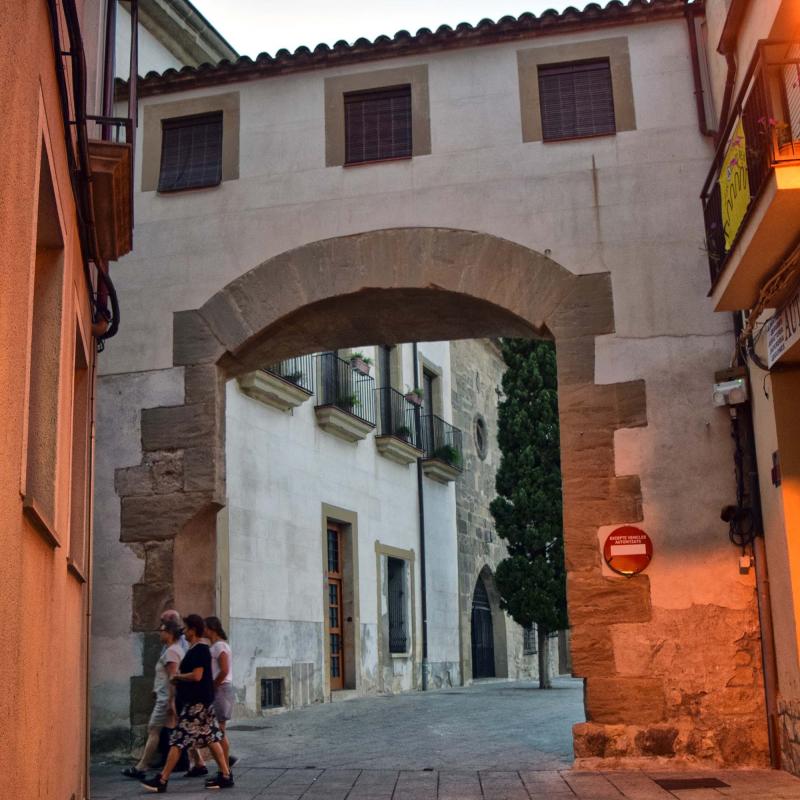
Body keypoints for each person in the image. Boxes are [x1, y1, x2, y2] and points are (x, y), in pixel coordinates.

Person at [141, 614, 233, 793]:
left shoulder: (199, 649)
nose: (184, 632)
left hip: (197, 703)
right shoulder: (196, 649)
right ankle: (225, 775)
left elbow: (197, 675)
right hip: (200, 701)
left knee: (178, 739)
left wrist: (177, 676)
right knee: (212, 738)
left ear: (193, 630)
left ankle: (162, 779)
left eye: (187, 628)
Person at [122, 619, 182, 780]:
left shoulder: (171, 652)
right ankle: (198, 763)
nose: (159, 633)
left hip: (165, 700)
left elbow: (173, 678)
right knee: (181, 732)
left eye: (162, 630)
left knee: (153, 730)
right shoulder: (173, 650)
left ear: (169, 633)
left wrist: (170, 702)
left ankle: (142, 766)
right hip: (164, 697)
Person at [204, 617, 238, 772]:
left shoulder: (219, 646)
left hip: (221, 689)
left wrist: (212, 686)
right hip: (222, 689)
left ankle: (224, 767)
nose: (203, 630)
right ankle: (225, 763)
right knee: (219, 729)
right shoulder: (218, 645)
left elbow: (224, 670)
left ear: (211, 628)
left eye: (205, 627)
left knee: (220, 730)